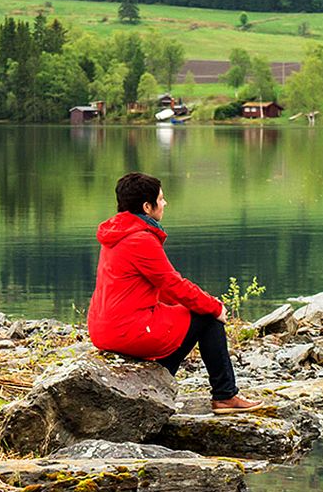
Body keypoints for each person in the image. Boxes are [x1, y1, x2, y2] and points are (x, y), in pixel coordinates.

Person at [87, 172, 261, 413]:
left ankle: (159, 377)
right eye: (161, 198)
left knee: (190, 314)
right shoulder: (139, 239)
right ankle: (225, 395)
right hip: (127, 330)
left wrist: (195, 304)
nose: (165, 203)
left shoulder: (118, 234)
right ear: (147, 207)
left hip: (103, 328)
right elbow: (172, 284)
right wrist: (214, 307)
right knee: (207, 319)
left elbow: (161, 287)